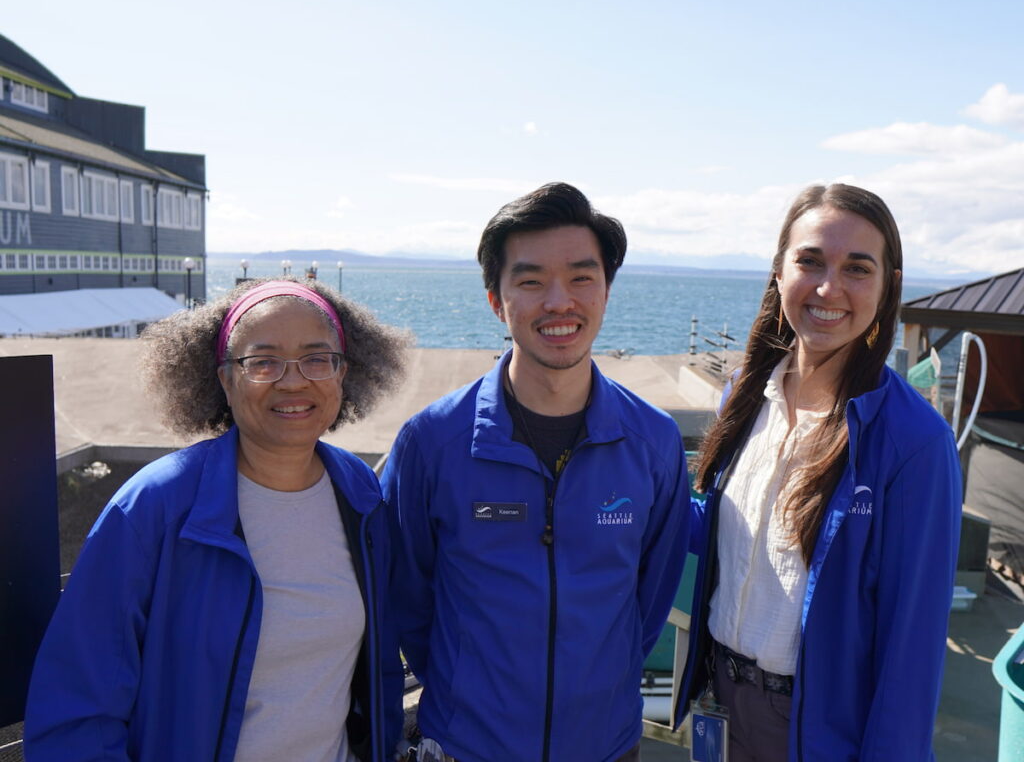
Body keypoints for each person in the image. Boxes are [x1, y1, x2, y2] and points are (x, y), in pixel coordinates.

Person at [24, 278, 409, 762]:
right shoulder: (154, 507)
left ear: (342, 373)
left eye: (316, 358)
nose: (293, 381)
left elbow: (376, 669)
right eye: (262, 362)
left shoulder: (359, 492)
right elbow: (76, 708)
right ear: (225, 379)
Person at [382, 182, 690, 762]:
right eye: (530, 281)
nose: (558, 301)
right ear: (497, 301)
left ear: (605, 291)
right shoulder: (432, 443)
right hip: (465, 747)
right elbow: (407, 602)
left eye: (581, 277)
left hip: (606, 746)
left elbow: (650, 599)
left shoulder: (654, 441)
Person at [674, 184, 963, 761]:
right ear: (779, 271)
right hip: (721, 700)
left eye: (857, 268)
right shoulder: (745, 396)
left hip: (817, 731)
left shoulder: (913, 442)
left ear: (887, 288)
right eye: (810, 261)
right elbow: (725, 531)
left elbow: (912, 644)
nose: (829, 288)